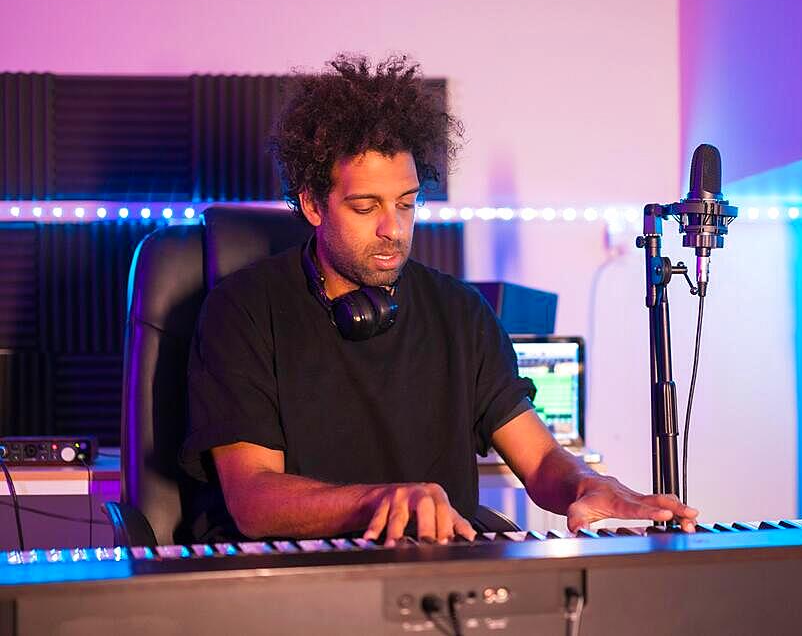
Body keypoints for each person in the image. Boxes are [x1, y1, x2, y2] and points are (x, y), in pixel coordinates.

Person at [179, 54, 698, 544]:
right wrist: (383, 502)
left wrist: (586, 484)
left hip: (437, 582)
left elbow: (540, 462)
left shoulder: (460, 312)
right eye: (366, 207)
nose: (393, 229)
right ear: (314, 204)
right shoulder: (244, 310)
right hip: (298, 582)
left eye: (406, 204)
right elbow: (253, 497)